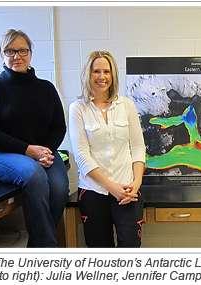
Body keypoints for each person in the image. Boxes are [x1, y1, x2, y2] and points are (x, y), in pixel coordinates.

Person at [0, 29, 69, 247]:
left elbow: (59, 127)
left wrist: (44, 151)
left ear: (30, 53)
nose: (16, 56)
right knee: (34, 174)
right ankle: (47, 251)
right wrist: (28, 150)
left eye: (22, 50)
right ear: (1, 55)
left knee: (60, 187)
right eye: (9, 51)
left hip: (41, 153)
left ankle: (36, 247)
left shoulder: (46, 88)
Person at [68, 51, 146, 247]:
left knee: (130, 248)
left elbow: (137, 147)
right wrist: (112, 188)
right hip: (93, 191)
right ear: (88, 74)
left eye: (106, 71)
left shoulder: (127, 105)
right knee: (100, 253)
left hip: (127, 190)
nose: (101, 77)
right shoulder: (78, 108)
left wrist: (136, 183)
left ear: (113, 76)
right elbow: (82, 155)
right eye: (96, 71)